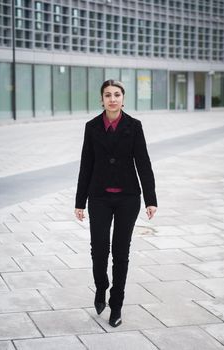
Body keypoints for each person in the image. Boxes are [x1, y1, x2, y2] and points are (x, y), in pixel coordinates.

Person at [74, 79, 157, 327]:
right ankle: (101, 287)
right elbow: (85, 165)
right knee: (99, 251)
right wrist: (80, 202)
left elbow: (143, 162)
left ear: (123, 98)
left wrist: (150, 199)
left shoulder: (134, 126)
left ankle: (116, 305)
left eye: (117, 94)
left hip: (128, 198)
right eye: (108, 95)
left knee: (121, 253)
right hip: (98, 197)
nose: (112, 99)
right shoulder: (91, 127)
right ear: (102, 99)